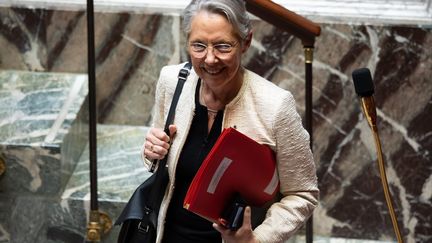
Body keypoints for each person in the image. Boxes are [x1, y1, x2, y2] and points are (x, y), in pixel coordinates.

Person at [141, 0, 319, 242]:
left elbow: (302, 193)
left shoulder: (275, 106)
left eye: (223, 46)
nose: (210, 59)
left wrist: (257, 239)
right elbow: (157, 161)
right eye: (199, 46)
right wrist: (152, 151)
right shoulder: (172, 82)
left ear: (246, 42)